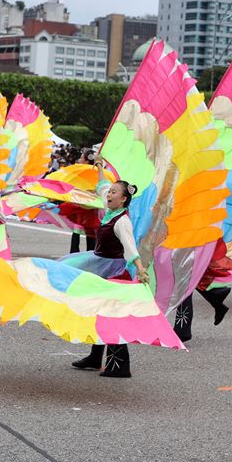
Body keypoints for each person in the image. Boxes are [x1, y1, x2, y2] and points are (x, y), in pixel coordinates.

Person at [70, 158, 150, 378]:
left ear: (123, 199)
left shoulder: (122, 221)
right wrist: (99, 168)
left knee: (111, 315)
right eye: (111, 192)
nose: (109, 194)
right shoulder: (110, 210)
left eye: (115, 192)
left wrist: (140, 269)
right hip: (99, 265)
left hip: (114, 272)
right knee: (99, 311)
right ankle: (96, 357)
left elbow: (130, 248)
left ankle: (120, 365)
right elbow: (102, 186)